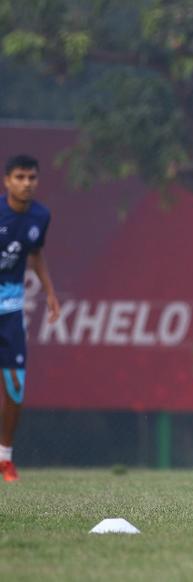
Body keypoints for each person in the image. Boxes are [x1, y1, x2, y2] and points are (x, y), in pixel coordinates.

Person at [0, 155, 61, 483]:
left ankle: (4, 458)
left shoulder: (41, 215)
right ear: (7, 181)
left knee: (15, 386)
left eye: (31, 177)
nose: (26, 183)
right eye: (20, 177)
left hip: (10, 310)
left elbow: (35, 254)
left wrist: (49, 292)